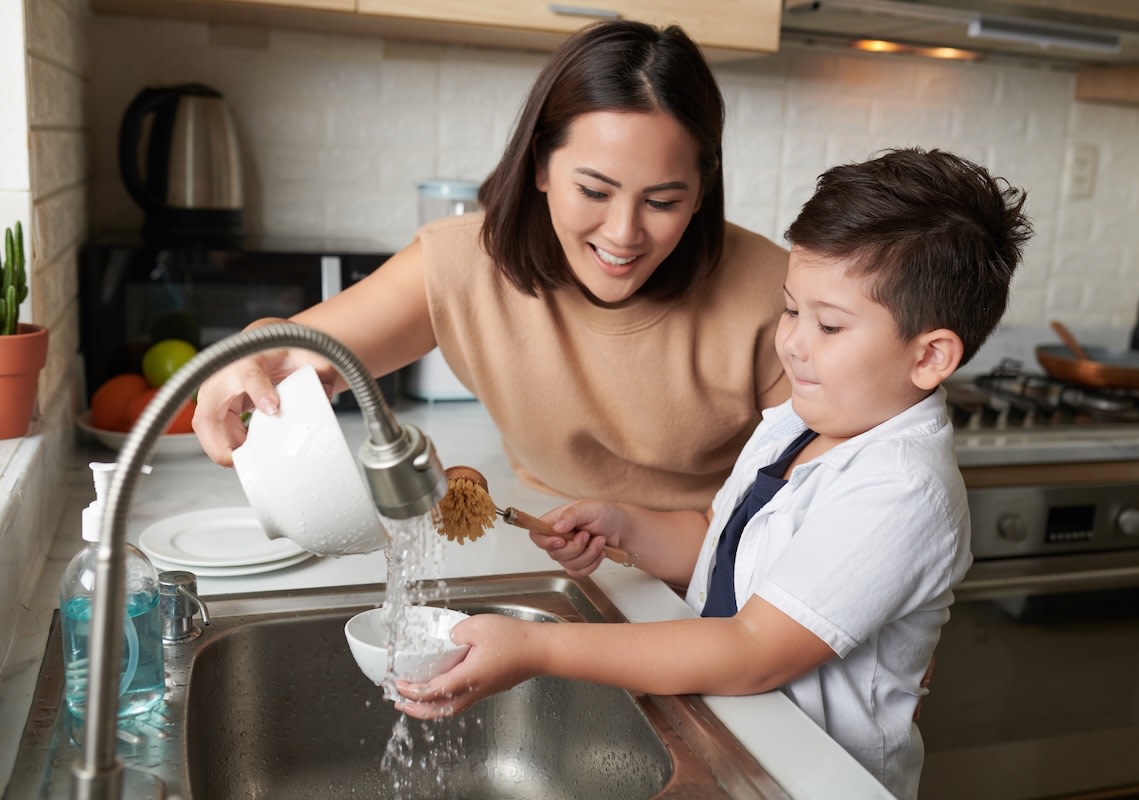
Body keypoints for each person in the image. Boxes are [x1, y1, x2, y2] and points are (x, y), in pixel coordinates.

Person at [393, 148, 1034, 800]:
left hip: (807, 777)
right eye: (790, 310)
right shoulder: (801, 419)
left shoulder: (900, 489)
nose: (792, 343)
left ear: (930, 357)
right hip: (733, 733)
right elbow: (722, 543)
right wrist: (628, 526)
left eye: (830, 325)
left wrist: (538, 649)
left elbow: (751, 650)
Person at [192, 20, 790, 511]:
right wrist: (255, 354)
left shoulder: (774, 297)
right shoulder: (465, 261)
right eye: (594, 191)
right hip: (550, 548)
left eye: (663, 201)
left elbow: (809, 505)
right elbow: (304, 349)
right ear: (539, 167)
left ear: (703, 190)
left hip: (718, 578)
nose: (624, 233)